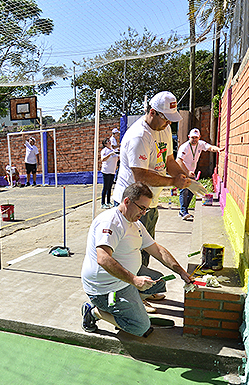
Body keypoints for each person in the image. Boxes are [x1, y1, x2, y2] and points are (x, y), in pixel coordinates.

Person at [81, 182, 194, 336]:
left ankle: (129, 309)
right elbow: (103, 258)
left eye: (146, 209)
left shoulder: (136, 224)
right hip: (106, 288)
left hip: (124, 280)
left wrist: (181, 272)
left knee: (158, 283)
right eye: (142, 208)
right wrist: (134, 280)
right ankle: (93, 311)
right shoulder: (111, 222)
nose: (144, 213)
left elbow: (157, 250)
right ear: (127, 201)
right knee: (141, 328)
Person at [112, 91, 190, 269]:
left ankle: (141, 288)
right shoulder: (139, 136)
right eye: (166, 119)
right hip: (132, 202)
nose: (169, 123)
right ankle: (132, 291)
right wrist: (173, 182)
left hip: (149, 201)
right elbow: (141, 176)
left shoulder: (165, 129)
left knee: (146, 247)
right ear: (152, 112)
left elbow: (169, 161)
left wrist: (184, 178)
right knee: (130, 250)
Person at [176, 128, 222, 221]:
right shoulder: (185, 147)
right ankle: (183, 211)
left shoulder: (200, 144)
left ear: (199, 137)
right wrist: (187, 172)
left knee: (191, 191)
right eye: (192, 137)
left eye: (196, 137)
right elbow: (178, 160)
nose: (194, 139)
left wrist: (218, 149)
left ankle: (183, 211)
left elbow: (210, 147)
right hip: (182, 171)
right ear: (189, 137)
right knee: (184, 190)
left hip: (191, 172)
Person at [100, 138, 119, 209]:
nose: (110, 142)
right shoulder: (104, 150)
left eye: (110, 141)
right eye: (108, 141)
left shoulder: (112, 150)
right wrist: (109, 155)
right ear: (105, 144)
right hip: (106, 171)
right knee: (105, 187)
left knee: (110, 187)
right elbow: (103, 159)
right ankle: (103, 203)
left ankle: (108, 202)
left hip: (112, 171)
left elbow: (117, 158)